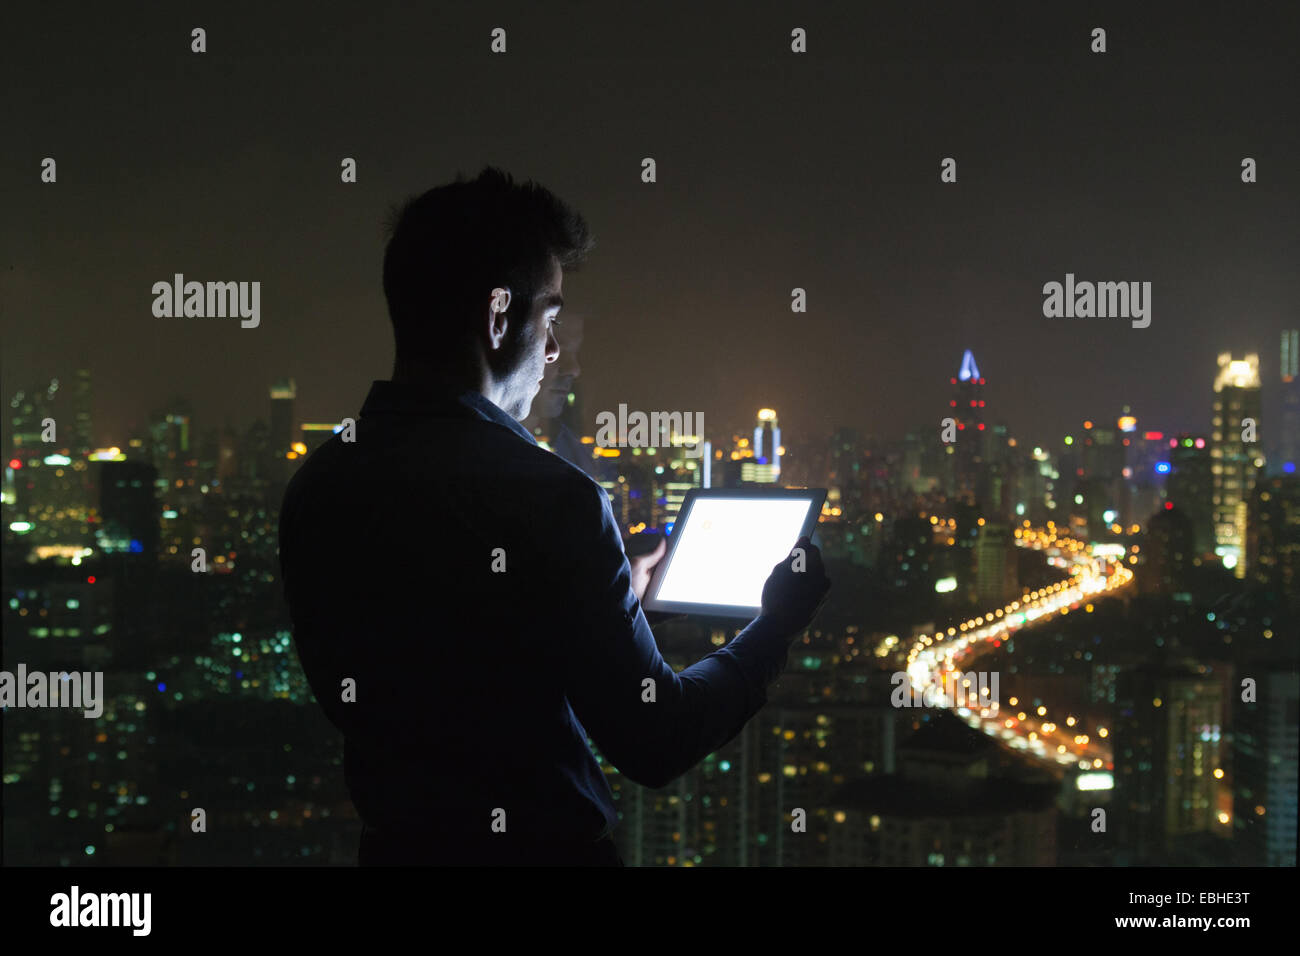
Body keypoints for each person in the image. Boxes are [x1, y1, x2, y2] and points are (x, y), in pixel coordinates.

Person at [277, 165, 831, 866]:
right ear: (499, 314)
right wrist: (778, 624)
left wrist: (609, 601)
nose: (555, 348)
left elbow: (464, 661)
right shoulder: (552, 498)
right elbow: (655, 738)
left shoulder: (320, 487)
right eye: (551, 316)